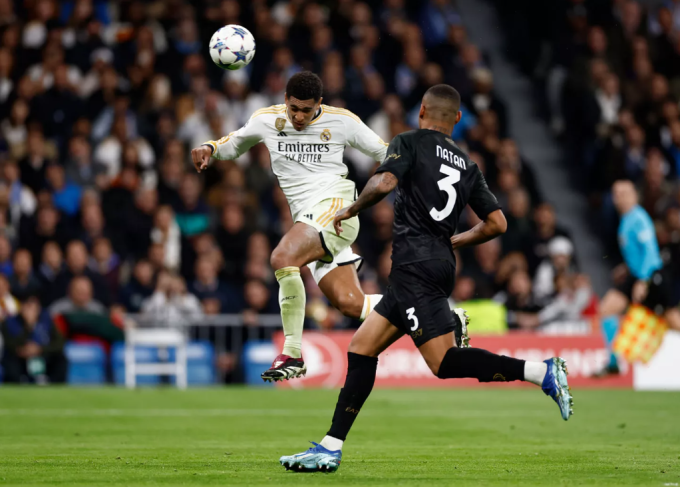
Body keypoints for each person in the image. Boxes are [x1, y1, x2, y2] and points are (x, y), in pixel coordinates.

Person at [280, 84, 573, 473]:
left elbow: (384, 183)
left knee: (443, 362)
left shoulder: (409, 142)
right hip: (432, 265)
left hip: (415, 266)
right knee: (362, 347)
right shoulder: (467, 164)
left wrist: (352, 208)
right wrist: (456, 239)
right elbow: (497, 223)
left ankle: (541, 371)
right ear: (456, 119)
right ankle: (330, 447)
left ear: (421, 111)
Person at [191, 71, 389, 381]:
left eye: (306, 110)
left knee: (282, 257)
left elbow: (386, 152)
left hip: (337, 208)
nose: (298, 116)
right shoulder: (267, 120)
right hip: (309, 222)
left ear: (319, 104)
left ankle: (293, 353)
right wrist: (211, 148)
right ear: (285, 100)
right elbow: (236, 144)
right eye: (293, 108)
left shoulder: (342, 121)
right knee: (351, 304)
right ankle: (438, 314)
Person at [596, 180, 680, 376]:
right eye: (616, 193)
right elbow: (638, 252)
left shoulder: (638, 218)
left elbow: (650, 252)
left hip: (651, 275)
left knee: (672, 319)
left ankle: (614, 361)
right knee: (607, 309)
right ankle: (613, 362)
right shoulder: (626, 219)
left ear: (634, 195)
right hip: (636, 274)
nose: (619, 197)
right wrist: (625, 268)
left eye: (624, 193)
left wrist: (643, 280)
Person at [1, 296, 67, 384]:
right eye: (27, 306)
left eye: (33, 306)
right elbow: (9, 344)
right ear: (21, 307)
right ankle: (17, 384)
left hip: (43, 356)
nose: (30, 310)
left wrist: (40, 349)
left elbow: (59, 343)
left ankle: (54, 385)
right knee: (9, 360)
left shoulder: (47, 321)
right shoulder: (10, 322)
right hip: (21, 358)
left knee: (61, 359)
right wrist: (28, 325)